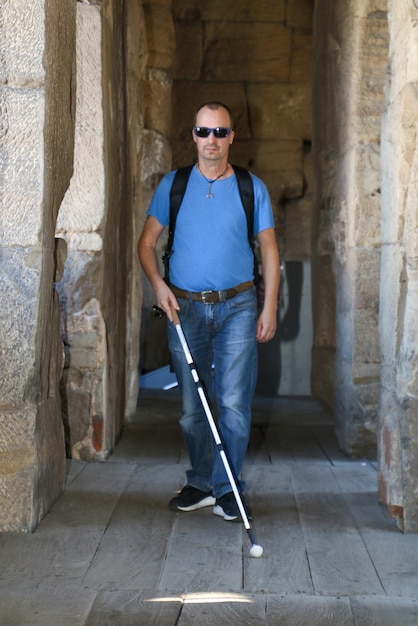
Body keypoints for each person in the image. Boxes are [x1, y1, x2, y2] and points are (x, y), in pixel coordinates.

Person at [138, 101, 280, 521]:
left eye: (220, 132)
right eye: (204, 132)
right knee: (191, 406)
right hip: (184, 309)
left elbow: (269, 249)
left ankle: (227, 489)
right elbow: (146, 244)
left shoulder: (251, 188)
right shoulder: (174, 185)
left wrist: (268, 305)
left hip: (238, 305)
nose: (212, 140)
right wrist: (158, 286)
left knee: (234, 404)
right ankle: (200, 482)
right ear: (194, 136)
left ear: (232, 137)